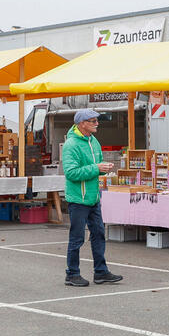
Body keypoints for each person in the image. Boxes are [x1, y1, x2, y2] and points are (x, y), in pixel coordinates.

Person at [62, 109, 124, 287]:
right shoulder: (71, 145)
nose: (97, 123)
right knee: (77, 238)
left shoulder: (93, 141)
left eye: (97, 120)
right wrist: (97, 168)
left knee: (98, 234)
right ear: (82, 124)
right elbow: (71, 173)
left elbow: (96, 165)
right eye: (93, 121)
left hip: (93, 197)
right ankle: (72, 274)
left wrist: (102, 168)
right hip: (78, 200)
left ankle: (101, 272)